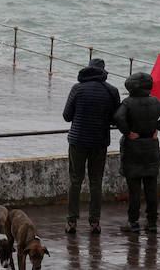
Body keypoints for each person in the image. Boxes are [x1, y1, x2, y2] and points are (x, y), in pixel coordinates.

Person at [112, 71, 160, 234]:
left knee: (134, 189)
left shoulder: (128, 103)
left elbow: (118, 118)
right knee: (151, 188)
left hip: (133, 148)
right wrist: (158, 127)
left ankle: (133, 222)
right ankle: (152, 223)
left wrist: (127, 132)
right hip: (150, 147)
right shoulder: (155, 102)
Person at [62, 57, 121, 235]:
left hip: (78, 141)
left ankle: (71, 222)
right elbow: (115, 118)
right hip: (99, 142)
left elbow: (66, 116)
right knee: (96, 182)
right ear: (104, 71)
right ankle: (94, 223)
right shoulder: (111, 91)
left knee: (75, 181)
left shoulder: (77, 89)